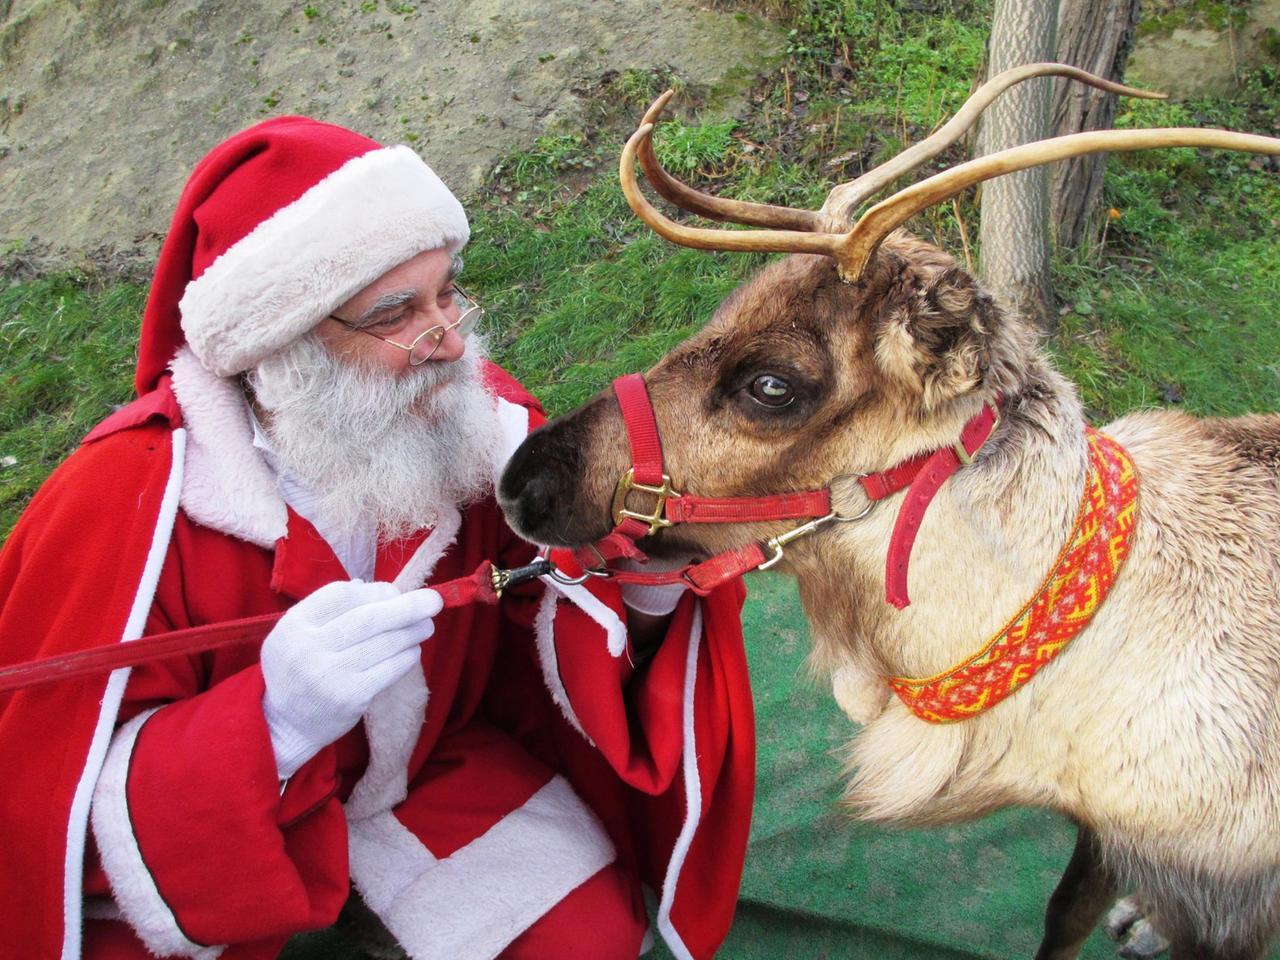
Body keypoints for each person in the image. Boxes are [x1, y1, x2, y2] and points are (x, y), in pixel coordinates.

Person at [0, 117, 755, 960]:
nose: (452, 341)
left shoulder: (469, 419)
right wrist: (272, 723)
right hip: (222, 823)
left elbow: (540, 620)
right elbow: (40, 802)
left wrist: (640, 579)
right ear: (279, 347)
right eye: (398, 312)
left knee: (586, 942)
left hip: (420, 773)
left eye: (449, 292)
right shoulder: (121, 507)